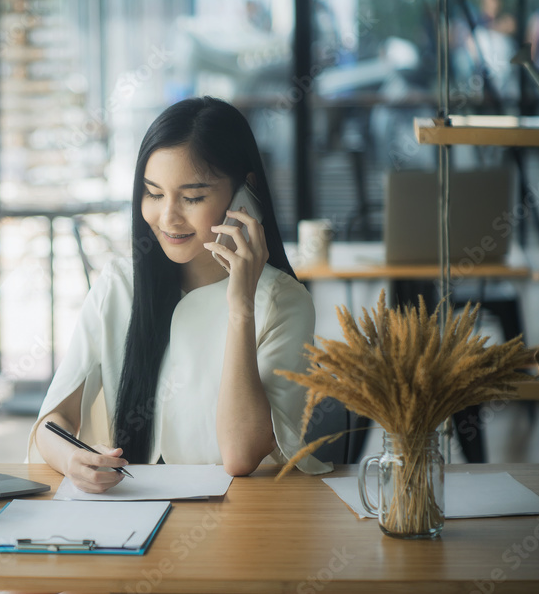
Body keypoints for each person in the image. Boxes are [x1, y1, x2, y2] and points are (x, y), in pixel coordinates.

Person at [27, 97, 330, 493]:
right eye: (153, 193)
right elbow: (51, 424)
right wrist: (74, 460)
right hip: (131, 514)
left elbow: (239, 456)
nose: (168, 217)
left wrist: (241, 308)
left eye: (191, 197)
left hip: (244, 520)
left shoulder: (282, 301)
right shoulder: (119, 285)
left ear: (245, 194)